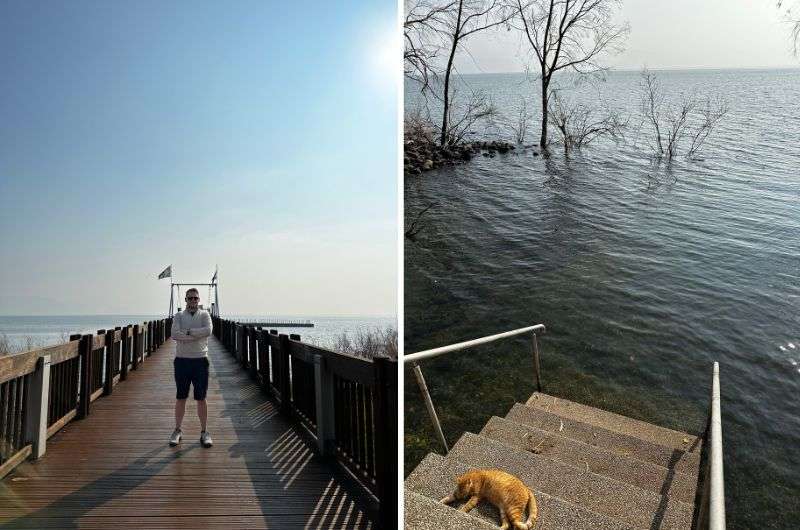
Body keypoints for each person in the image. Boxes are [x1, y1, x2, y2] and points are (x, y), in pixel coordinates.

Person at [169, 288, 214, 448]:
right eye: (190, 299)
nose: (193, 301)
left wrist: (187, 333)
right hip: (182, 361)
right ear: (186, 300)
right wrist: (196, 335)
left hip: (200, 361)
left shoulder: (205, 314)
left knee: (201, 398)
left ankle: (204, 432)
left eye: (195, 299)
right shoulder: (179, 316)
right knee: (181, 397)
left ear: (199, 300)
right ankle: (177, 430)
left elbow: (208, 330)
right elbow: (174, 334)